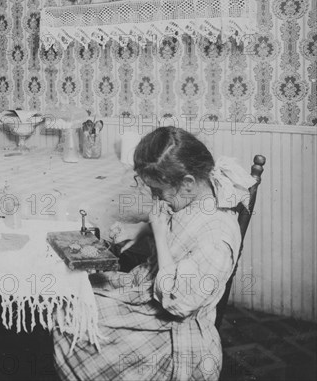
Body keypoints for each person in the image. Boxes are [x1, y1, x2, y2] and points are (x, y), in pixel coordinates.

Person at [53, 126, 256, 380]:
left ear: (188, 183)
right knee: (72, 296)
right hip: (149, 287)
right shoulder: (196, 195)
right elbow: (177, 226)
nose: (156, 198)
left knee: (71, 318)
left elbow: (179, 304)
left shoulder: (217, 237)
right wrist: (142, 230)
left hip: (173, 328)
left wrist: (158, 234)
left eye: (158, 191)